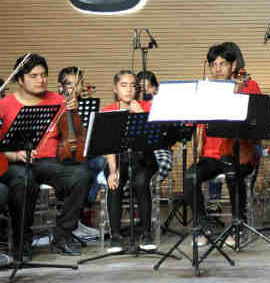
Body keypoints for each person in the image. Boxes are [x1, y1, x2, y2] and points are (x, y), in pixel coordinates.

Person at [0, 54, 93, 258]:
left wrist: (74, 114)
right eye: (34, 76)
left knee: (82, 174)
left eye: (43, 75)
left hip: (49, 161)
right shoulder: (4, 105)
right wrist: (14, 155)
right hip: (15, 162)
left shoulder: (58, 100)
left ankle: (62, 236)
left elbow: (76, 135)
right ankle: (21, 242)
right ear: (19, 80)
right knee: (24, 181)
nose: (41, 80)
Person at [183, 43, 261, 247]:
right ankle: (202, 225)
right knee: (190, 177)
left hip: (239, 154)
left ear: (233, 65)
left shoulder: (248, 85)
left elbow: (257, 120)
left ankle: (239, 226)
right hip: (211, 156)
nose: (217, 69)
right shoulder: (205, 91)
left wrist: (238, 91)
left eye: (223, 64)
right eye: (213, 65)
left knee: (232, 173)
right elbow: (191, 123)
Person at [102, 70, 162, 252]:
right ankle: (115, 235)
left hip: (144, 158)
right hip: (119, 158)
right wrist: (113, 170)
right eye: (123, 85)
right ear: (115, 88)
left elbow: (154, 140)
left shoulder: (147, 107)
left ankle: (145, 233)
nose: (129, 90)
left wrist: (141, 115)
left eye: (132, 86)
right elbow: (108, 146)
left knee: (141, 182)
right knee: (115, 183)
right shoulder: (108, 111)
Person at [56, 66, 103, 243]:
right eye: (70, 85)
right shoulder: (56, 103)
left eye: (78, 84)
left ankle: (84, 206)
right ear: (60, 86)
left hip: (83, 152)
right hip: (63, 154)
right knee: (84, 170)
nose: (74, 89)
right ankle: (77, 216)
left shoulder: (87, 105)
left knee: (102, 163)